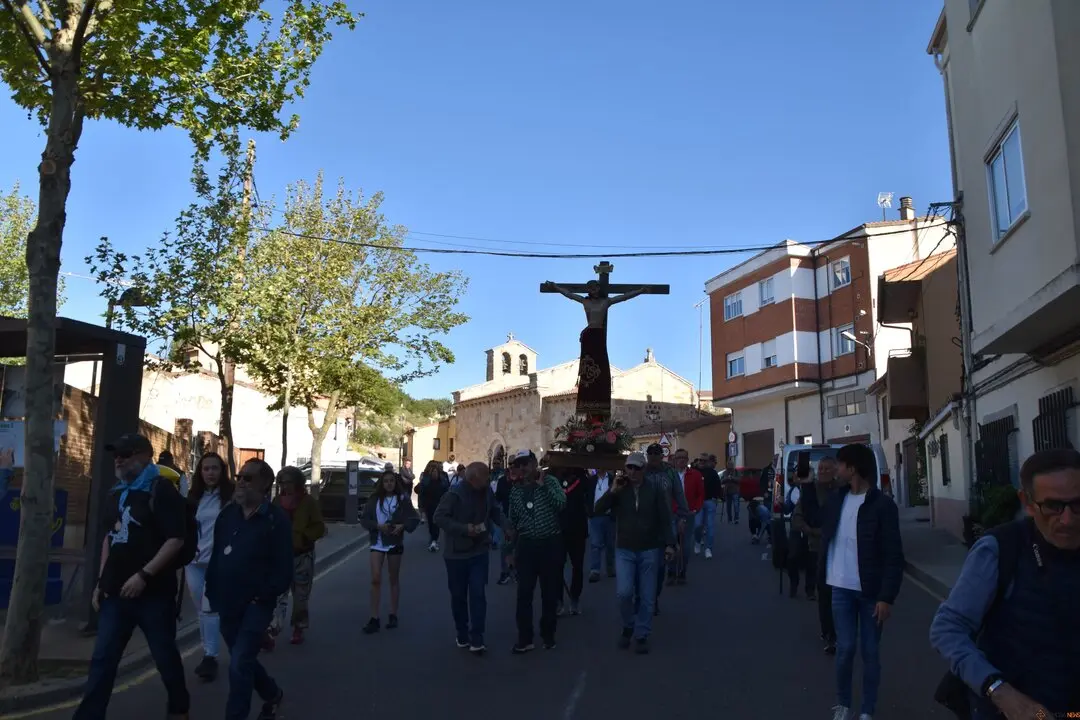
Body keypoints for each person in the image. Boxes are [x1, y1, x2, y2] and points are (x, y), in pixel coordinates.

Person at [930, 448, 1080, 720]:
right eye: (1053, 507)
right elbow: (947, 629)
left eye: (1078, 505)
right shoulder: (1000, 549)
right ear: (1028, 502)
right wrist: (1000, 692)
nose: (1067, 520)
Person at [75, 434, 191, 720]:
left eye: (125, 454)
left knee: (165, 657)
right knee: (102, 659)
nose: (118, 459)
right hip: (116, 593)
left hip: (154, 594)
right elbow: (109, 538)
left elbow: (175, 539)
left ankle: (179, 709)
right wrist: (102, 581)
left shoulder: (161, 491)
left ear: (144, 456)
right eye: (116, 454)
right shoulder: (116, 493)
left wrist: (143, 575)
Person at [821, 444, 904, 720]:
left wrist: (886, 597)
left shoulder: (882, 505)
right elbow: (826, 535)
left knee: (870, 653)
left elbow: (893, 555)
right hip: (840, 588)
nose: (836, 469)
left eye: (841, 464)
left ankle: (867, 710)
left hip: (870, 592)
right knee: (845, 649)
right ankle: (843, 705)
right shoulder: (836, 499)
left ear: (853, 468)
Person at [206, 459, 292, 720]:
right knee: (241, 661)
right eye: (240, 476)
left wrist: (264, 596)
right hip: (226, 602)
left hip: (256, 604)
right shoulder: (228, 515)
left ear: (265, 485)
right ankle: (272, 694)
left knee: (240, 662)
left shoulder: (275, 520)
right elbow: (217, 556)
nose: (241, 482)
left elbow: (283, 567)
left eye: (248, 478)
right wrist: (211, 590)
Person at [594, 452, 675, 654]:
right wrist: (612, 491)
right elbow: (597, 509)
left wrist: (670, 544)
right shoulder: (620, 489)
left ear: (644, 469)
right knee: (624, 593)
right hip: (625, 549)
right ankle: (628, 625)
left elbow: (665, 518)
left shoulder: (654, 489)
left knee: (647, 596)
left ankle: (641, 634)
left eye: (637, 468)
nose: (632, 472)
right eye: (629, 467)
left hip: (649, 548)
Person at [434, 461, 508, 654]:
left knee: (478, 594)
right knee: (458, 596)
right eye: (485, 478)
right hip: (456, 555)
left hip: (479, 551)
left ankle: (477, 637)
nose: (488, 481)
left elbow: (495, 512)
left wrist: (507, 527)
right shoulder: (454, 494)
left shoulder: (486, 493)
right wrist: (464, 529)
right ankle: (462, 632)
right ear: (473, 479)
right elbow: (439, 517)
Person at [506, 450, 566, 652]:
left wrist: (544, 486)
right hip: (526, 545)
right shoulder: (515, 491)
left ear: (534, 463)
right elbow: (512, 522)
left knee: (549, 593)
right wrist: (509, 550)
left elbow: (561, 504)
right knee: (524, 594)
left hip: (550, 543)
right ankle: (525, 638)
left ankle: (548, 634)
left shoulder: (550, 482)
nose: (523, 468)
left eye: (526, 464)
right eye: (519, 465)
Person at [185, 452, 233, 681]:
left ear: (222, 471)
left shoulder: (231, 497)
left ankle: (210, 656)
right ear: (200, 472)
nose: (210, 473)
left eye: (215, 468)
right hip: (193, 563)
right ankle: (209, 652)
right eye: (206, 469)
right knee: (201, 611)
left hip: (218, 564)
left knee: (209, 608)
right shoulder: (193, 497)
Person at [271, 466, 326, 645]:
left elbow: (319, 527)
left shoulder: (308, 502)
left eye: (288, 482)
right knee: (278, 594)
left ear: (297, 483)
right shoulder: (277, 502)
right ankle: (274, 627)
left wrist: (303, 537)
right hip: (281, 555)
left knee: (301, 594)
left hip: (303, 555)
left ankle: (298, 626)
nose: (285, 486)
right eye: (282, 482)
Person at [361, 469, 420, 633]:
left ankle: (393, 614)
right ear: (382, 483)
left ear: (395, 483)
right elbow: (364, 520)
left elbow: (414, 518)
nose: (388, 484)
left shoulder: (402, 499)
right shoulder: (374, 500)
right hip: (377, 542)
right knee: (375, 578)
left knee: (393, 578)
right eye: (386, 481)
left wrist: (403, 526)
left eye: (391, 481)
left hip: (394, 542)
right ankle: (374, 617)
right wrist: (377, 526)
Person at [792, 456, 840, 653]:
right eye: (821, 469)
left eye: (827, 469)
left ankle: (839, 629)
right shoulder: (809, 491)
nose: (823, 472)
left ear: (836, 471)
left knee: (839, 593)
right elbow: (797, 516)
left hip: (838, 548)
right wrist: (808, 529)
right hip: (816, 547)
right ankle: (828, 633)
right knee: (825, 592)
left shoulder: (842, 491)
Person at [644, 444, 687, 611]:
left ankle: (653, 597)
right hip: (644, 524)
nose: (653, 457)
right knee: (645, 564)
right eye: (651, 454)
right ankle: (644, 597)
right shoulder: (641, 471)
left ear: (661, 455)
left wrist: (682, 517)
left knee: (660, 566)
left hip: (665, 523)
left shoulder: (670, 473)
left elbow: (679, 494)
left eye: (657, 454)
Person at [668, 449, 704, 583]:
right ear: (674, 460)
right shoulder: (669, 475)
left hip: (688, 514)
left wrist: (696, 509)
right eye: (678, 458)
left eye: (684, 458)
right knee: (671, 543)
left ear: (687, 460)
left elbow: (700, 494)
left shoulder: (695, 475)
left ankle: (682, 571)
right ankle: (671, 572)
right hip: (672, 514)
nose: (681, 460)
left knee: (685, 545)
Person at [558, 467, 589, 616]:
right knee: (556, 566)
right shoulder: (554, 479)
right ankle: (558, 599)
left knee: (578, 566)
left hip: (577, 530)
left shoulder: (583, 480)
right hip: (558, 530)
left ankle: (575, 597)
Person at [585, 469, 617, 581]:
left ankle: (610, 568)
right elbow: (587, 495)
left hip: (609, 516)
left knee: (610, 544)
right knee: (595, 543)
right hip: (595, 515)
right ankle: (595, 570)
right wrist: (589, 511)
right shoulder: (591, 480)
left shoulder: (613, 479)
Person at [417, 460, 451, 552]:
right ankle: (433, 538)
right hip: (429, 504)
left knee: (436, 522)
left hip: (440, 504)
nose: (435, 473)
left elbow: (447, 489)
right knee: (431, 523)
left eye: (436, 471)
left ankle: (434, 540)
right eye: (433, 471)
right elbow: (420, 491)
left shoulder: (443, 478)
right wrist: (422, 505)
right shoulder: (426, 479)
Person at [695, 454, 723, 559]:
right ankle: (697, 542)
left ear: (707, 462)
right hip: (698, 502)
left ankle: (708, 548)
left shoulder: (712, 473)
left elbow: (718, 486)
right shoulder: (694, 472)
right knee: (697, 525)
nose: (702, 462)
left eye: (704, 460)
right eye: (700, 460)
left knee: (710, 526)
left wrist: (717, 497)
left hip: (710, 501)